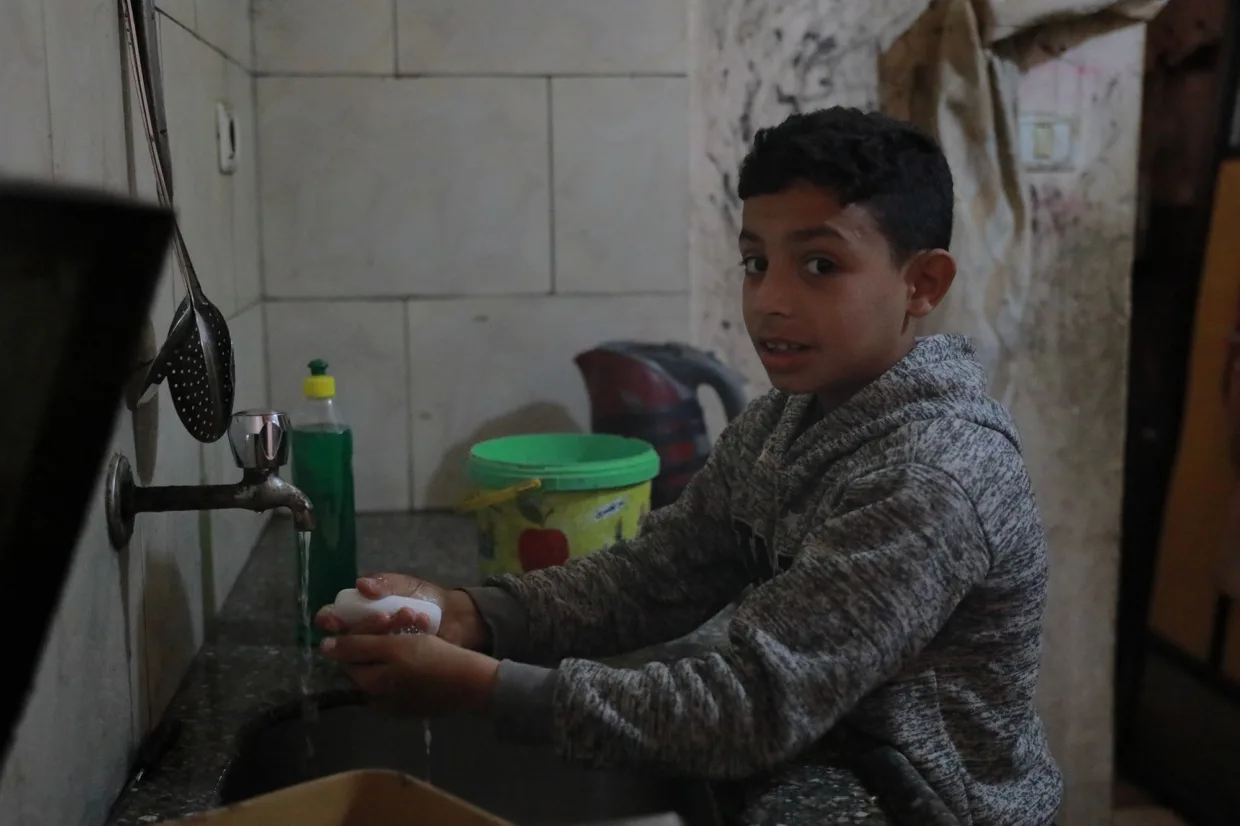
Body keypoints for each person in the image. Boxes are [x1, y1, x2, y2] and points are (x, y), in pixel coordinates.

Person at [316, 107, 1064, 826]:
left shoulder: (932, 473)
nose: (769, 299)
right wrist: (472, 614)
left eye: (819, 264)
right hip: (829, 768)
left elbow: (753, 708)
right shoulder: (785, 421)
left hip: (925, 807)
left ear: (922, 285)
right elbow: (661, 571)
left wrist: (484, 689)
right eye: (754, 261)